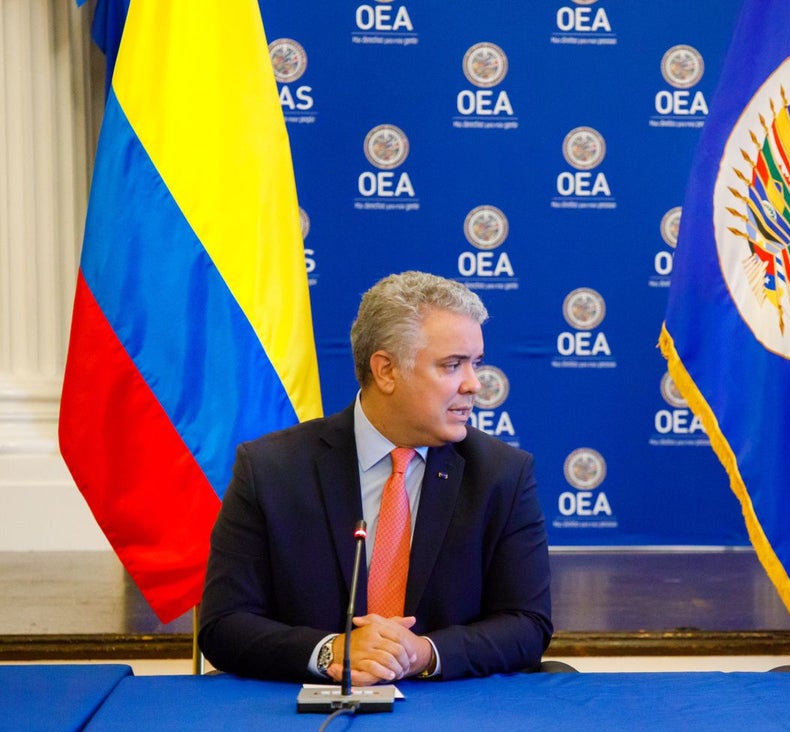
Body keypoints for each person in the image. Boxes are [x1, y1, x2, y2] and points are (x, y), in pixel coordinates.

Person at [198, 271, 552, 684]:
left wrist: (423, 652)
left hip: (450, 713)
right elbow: (223, 625)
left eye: (475, 364)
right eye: (452, 365)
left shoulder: (502, 475)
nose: (474, 385)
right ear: (385, 371)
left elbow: (528, 624)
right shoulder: (271, 470)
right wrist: (333, 649)